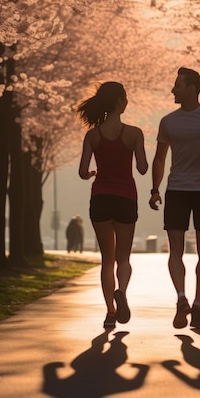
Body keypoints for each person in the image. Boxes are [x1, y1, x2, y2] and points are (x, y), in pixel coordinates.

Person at [149, 67, 200, 330]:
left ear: (192, 88)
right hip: (176, 191)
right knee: (175, 250)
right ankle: (181, 299)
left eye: (178, 85)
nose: (173, 89)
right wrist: (155, 189)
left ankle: (197, 304)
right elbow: (160, 158)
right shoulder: (168, 122)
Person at [78, 82, 148, 329]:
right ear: (119, 101)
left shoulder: (92, 135)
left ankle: (109, 313)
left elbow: (82, 172)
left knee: (107, 259)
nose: (127, 101)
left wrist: (92, 174)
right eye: (125, 98)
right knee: (123, 258)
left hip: (101, 198)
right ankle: (122, 292)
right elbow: (142, 168)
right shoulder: (134, 133)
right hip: (126, 198)